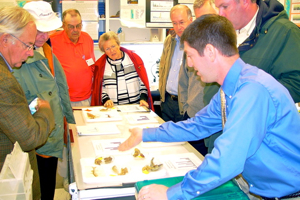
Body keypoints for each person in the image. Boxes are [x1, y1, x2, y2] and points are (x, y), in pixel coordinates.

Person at [118, 14, 300, 200]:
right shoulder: (230, 89)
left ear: (210, 52)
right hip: (260, 189)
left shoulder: (251, 91)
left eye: (190, 55)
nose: (189, 64)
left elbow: (228, 159)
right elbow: (197, 125)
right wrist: (145, 134)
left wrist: (170, 193)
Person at [204, 0, 300, 153]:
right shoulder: (223, 31)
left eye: (225, 7)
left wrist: (246, 99)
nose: (220, 14)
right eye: (217, 7)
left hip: (255, 146)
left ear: (245, 2)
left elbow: (296, 84)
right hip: (218, 136)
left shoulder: (285, 33)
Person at [12, 2, 75, 200]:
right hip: (35, 139)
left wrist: (69, 122)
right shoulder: (18, 57)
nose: (44, 36)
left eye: (47, 31)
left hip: (51, 133)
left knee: (47, 187)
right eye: (40, 31)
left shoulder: (45, 49)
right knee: (37, 190)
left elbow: (59, 89)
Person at [0, 6, 55, 200]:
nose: (30, 53)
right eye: (27, 45)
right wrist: (45, 111)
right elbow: (31, 137)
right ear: (5, 40)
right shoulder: (3, 79)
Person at [178, 0, 217, 155]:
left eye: (208, 17)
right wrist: (186, 108)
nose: (204, 23)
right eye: (200, 19)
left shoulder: (226, 43)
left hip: (214, 122)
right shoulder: (193, 42)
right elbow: (184, 79)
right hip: (193, 116)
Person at [91, 31, 154, 110]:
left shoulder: (134, 59)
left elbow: (143, 82)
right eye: (107, 48)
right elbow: (100, 88)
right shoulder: (101, 66)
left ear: (118, 44)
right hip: (113, 110)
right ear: (104, 51)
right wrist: (106, 100)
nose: (111, 50)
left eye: (113, 46)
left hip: (136, 107)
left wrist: (143, 98)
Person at [50, 9, 95, 107]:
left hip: (87, 98)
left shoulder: (87, 38)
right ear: (63, 25)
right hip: (63, 99)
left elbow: (91, 64)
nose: (75, 30)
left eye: (78, 26)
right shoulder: (52, 41)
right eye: (71, 26)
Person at [159, 4, 192, 122]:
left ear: (191, 20)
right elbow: (162, 68)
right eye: (174, 23)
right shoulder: (169, 40)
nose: (178, 27)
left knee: (184, 140)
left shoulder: (196, 42)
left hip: (184, 103)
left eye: (182, 22)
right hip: (167, 101)